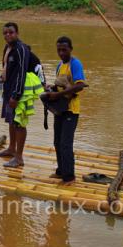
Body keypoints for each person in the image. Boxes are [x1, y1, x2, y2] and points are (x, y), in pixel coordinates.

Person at [0, 22, 44, 168]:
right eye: (5, 33)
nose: (8, 35)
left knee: (19, 123)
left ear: (17, 33)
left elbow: (21, 73)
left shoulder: (21, 49)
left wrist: (16, 95)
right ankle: (11, 148)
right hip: (9, 88)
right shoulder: (7, 48)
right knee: (11, 120)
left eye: (11, 32)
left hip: (20, 91)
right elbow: (7, 68)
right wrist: (0, 80)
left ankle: (19, 158)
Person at [42, 36, 87, 185]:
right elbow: (60, 86)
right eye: (59, 50)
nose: (61, 53)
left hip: (71, 110)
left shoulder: (75, 64)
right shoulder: (60, 65)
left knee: (66, 144)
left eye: (64, 50)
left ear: (71, 49)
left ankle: (70, 177)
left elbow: (80, 85)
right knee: (57, 142)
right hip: (60, 109)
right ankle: (61, 171)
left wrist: (57, 94)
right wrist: (51, 89)